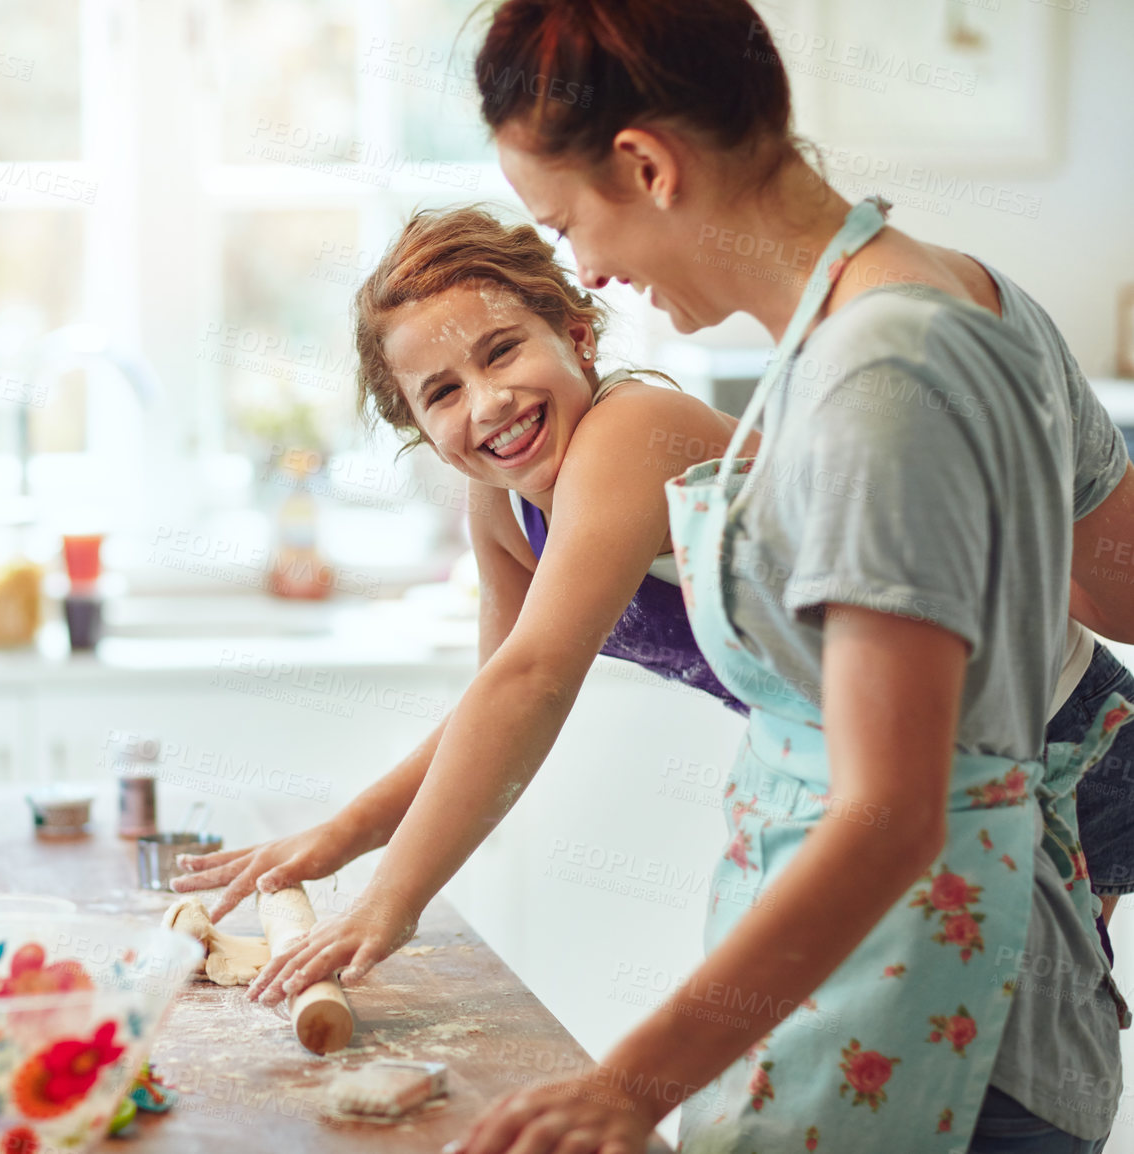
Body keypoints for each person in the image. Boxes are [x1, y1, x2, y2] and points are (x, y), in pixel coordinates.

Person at [176, 2, 1134, 1149]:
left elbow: (892, 811)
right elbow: (505, 692)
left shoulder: (877, 372)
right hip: (872, 902)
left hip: (958, 920)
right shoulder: (915, 313)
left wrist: (626, 1081)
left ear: (645, 166)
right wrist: (345, 842)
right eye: (439, 392)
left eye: (565, 222)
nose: (585, 264)